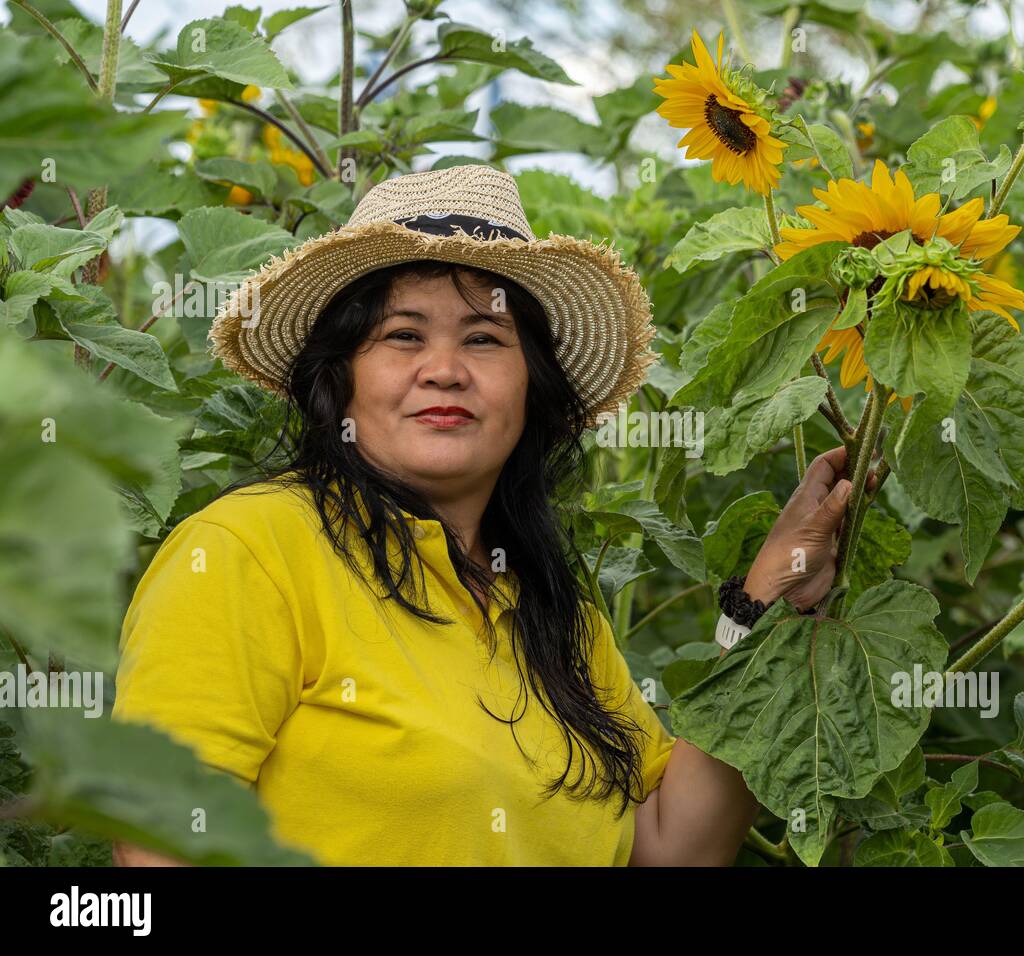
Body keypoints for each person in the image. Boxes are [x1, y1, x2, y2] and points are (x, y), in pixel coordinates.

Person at [111, 164, 856, 866]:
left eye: (484, 339)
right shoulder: (249, 550)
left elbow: (671, 845)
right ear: (337, 379)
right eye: (403, 335)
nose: (444, 368)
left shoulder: (550, 607)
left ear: (533, 389)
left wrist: (767, 597)